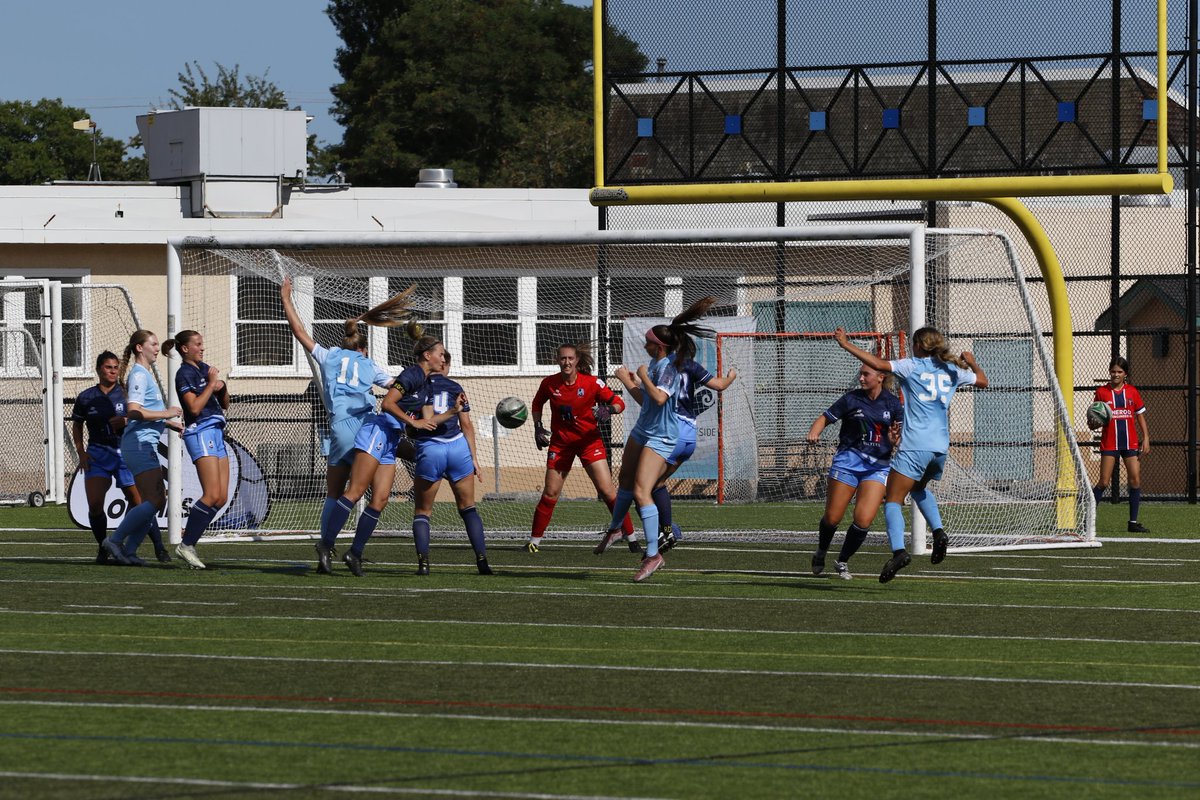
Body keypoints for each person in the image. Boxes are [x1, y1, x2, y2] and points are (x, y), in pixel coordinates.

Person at [834, 326, 987, 583]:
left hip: (915, 445)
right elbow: (983, 381)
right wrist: (972, 363)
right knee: (918, 490)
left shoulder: (912, 366)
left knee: (892, 500)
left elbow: (878, 363)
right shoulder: (952, 370)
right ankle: (938, 532)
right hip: (939, 448)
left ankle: (898, 552)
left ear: (917, 345)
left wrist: (846, 344)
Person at [281, 276, 405, 569]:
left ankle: (327, 546)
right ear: (363, 349)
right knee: (375, 494)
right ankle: (353, 549)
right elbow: (394, 386)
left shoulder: (330, 355)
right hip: (365, 428)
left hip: (338, 428)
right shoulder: (368, 364)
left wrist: (286, 299)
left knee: (334, 493)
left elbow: (299, 332)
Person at [595, 296, 718, 583]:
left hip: (662, 435)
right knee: (624, 481)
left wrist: (638, 378)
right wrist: (631, 383)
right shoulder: (656, 364)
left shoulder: (670, 367)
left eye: (649, 342)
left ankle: (653, 555)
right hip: (643, 429)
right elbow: (647, 400)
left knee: (642, 491)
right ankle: (615, 529)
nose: (645, 345)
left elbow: (660, 398)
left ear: (659, 346)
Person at [322, 340, 460, 577]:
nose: (444, 359)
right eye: (441, 354)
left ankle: (354, 553)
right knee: (355, 491)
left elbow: (427, 421)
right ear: (427, 355)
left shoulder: (426, 385)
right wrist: (413, 422)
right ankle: (325, 544)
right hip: (377, 432)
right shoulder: (412, 374)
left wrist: (451, 413)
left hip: (392, 439)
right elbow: (387, 403)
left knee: (381, 499)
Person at [527, 342, 630, 553]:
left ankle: (631, 537)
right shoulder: (549, 383)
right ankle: (533, 542)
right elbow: (537, 404)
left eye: (570, 359)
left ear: (577, 361)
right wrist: (538, 428)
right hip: (561, 444)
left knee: (607, 491)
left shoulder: (592, 383)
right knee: (550, 492)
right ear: (557, 360)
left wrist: (607, 410)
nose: (566, 362)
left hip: (589, 443)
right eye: (563, 358)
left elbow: (620, 403)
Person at [806, 362, 903, 580]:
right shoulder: (851, 399)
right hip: (848, 462)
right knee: (832, 518)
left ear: (880, 377)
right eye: (860, 374)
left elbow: (898, 435)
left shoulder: (893, 404)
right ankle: (821, 551)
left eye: (865, 374)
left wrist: (894, 440)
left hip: (877, 466)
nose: (861, 378)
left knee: (863, 520)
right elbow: (825, 417)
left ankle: (842, 561)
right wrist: (815, 430)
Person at [101, 330, 183, 566]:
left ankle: (129, 550)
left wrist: (169, 423)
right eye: (153, 344)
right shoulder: (139, 375)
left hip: (143, 441)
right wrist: (166, 413)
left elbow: (143, 414)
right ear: (140, 348)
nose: (157, 348)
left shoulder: (144, 374)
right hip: (138, 444)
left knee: (155, 501)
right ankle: (115, 541)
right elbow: (134, 410)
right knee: (155, 500)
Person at [410, 341, 492, 576]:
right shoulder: (456, 387)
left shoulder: (416, 386)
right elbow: (467, 426)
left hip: (431, 449)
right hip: (457, 448)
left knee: (423, 512)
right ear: (444, 364)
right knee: (468, 508)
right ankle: (482, 560)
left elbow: (412, 422)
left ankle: (423, 564)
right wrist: (474, 459)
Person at [71, 351, 158, 564]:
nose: (113, 371)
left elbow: (143, 416)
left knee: (139, 503)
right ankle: (103, 547)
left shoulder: (127, 393)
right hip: (98, 454)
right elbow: (77, 425)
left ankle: (151, 545)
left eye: (116, 367)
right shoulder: (86, 396)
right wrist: (81, 452)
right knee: (94, 504)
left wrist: (127, 421)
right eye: (108, 367)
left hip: (124, 453)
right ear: (99, 369)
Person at [649, 356, 737, 553]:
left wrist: (635, 380)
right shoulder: (689, 364)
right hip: (689, 435)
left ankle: (659, 533)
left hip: (672, 431)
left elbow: (657, 397)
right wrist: (730, 377)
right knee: (657, 483)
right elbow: (719, 385)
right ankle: (668, 530)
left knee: (640, 487)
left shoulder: (663, 365)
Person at [163, 330, 230, 569]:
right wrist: (212, 384)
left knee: (221, 497)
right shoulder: (184, 373)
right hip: (200, 431)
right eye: (198, 344)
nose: (202, 348)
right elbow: (192, 407)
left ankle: (189, 542)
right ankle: (186, 544)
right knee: (211, 494)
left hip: (216, 431)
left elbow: (224, 404)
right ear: (185, 348)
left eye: (203, 344)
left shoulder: (204, 367)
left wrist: (221, 388)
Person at [1090, 356, 1151, 532]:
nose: (1115, 374)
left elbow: (1140, 415)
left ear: (1125, 374)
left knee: (1135, 480)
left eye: (1119, 371)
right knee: (1103, 482)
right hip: (1109, 443)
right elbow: (1095, 418)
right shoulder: (1102, 391)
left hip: (1130, 443)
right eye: (1113, 371)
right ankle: (1088, 518)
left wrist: (1146, 438)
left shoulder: (1132, 391)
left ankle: (1133, 523)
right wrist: (1093, 423)